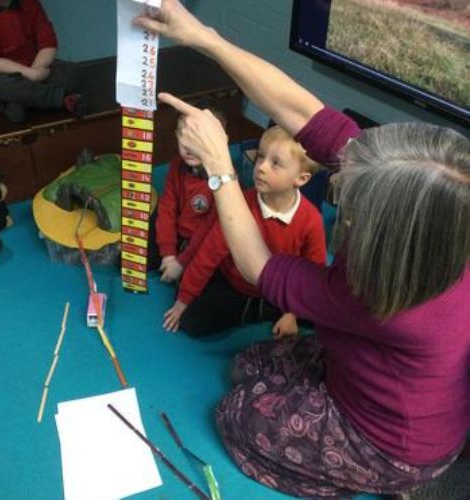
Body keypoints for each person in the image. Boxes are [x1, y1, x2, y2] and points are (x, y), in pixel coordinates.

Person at [136, 2, 470, 498]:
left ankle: (357, 479)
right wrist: (203, 36)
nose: (339, 195)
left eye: (347, 205)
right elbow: (300, 111)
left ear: (383, 235)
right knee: (245, 365)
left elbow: (259, 266)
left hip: (392, 447)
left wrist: (218, 164)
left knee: (236, 411)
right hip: (368, 372)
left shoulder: (373, 295)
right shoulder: (426, 205)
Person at [164, 125, 326, 338]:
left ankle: (262, 310)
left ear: (301, 179)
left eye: (275, 164)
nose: (261, 167)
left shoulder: (311, 219)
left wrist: (292, 314)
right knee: (191, 320)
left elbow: (313, 273)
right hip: (234, 284)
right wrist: (183, 300)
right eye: (260, 157)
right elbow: (209, 253)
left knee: (331, 313)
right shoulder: (239, 203)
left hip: (280, 292)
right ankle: (255, 311)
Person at [148, 98, 227, 283]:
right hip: (177, 230)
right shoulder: (177, 165)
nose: (189, 148)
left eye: (197, 140)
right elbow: (167, 207)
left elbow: (211, 232)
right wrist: (167, 252)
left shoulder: (224, 181)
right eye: (184, 138)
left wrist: (182, 261)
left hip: (200, 241)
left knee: (189, 286)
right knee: (129, 261)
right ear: (176, 136)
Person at [0, 0, 87, 123]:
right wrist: (30, 74)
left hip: (34, 64)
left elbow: (48, 43)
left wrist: (36, 70)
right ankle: (62, 99)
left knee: (71, 71)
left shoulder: (30, 3)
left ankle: (18, 103)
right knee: (0, 86)